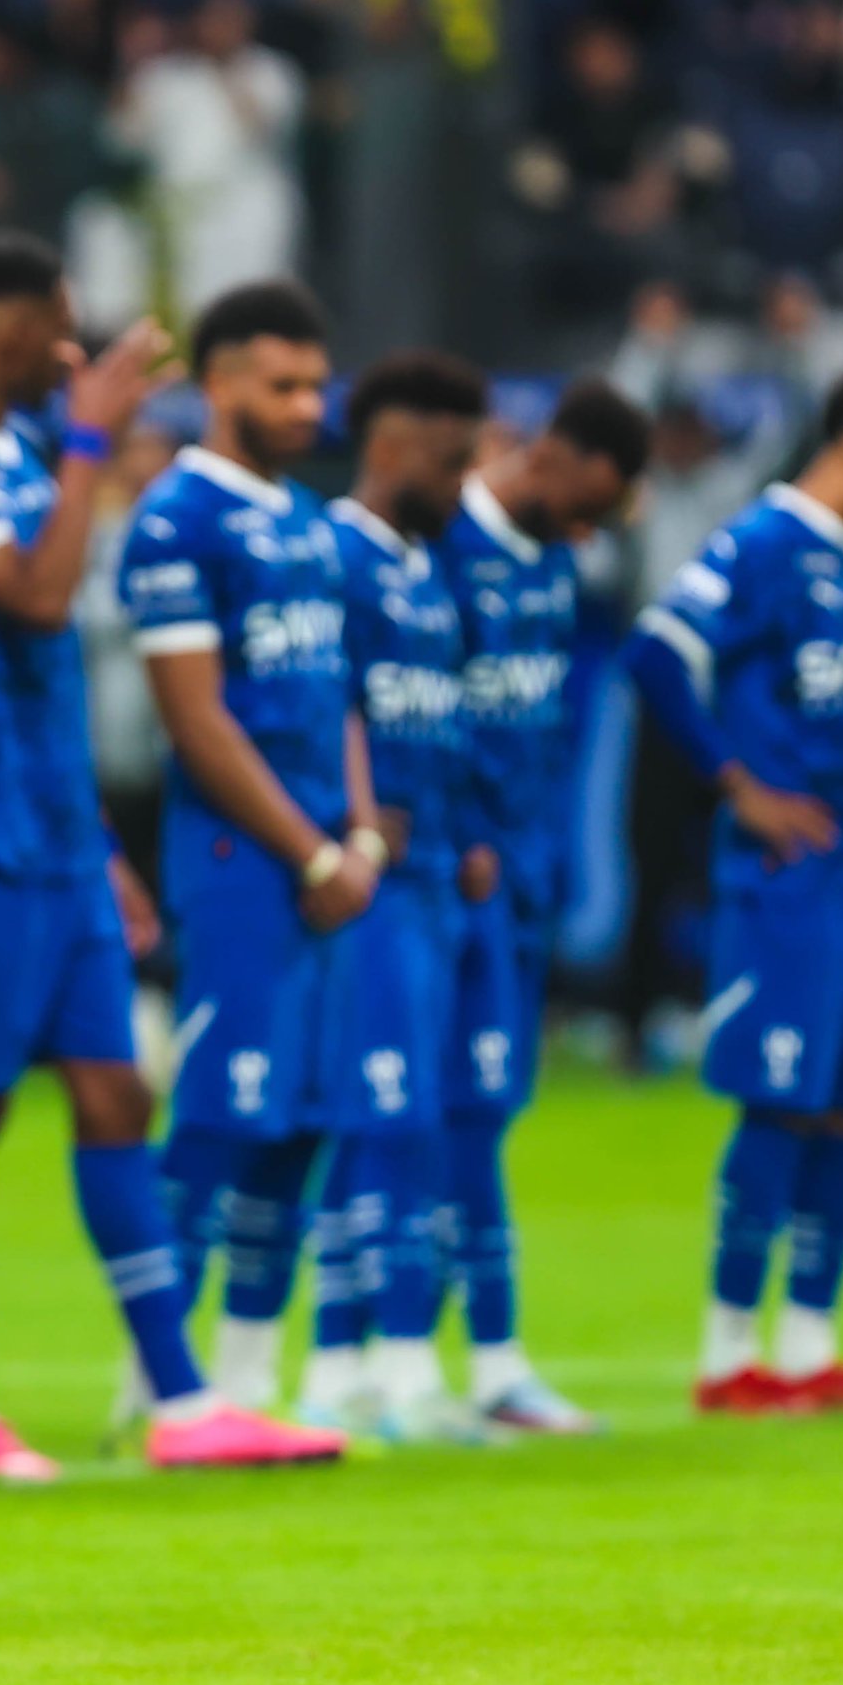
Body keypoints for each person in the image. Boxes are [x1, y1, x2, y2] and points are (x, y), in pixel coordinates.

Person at [0, 231, 344, 1476]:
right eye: (57, 328)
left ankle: (179, 1398)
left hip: (54, 835)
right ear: (1, 328)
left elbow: (46, 675)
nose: (71, 354)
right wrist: (90, 439)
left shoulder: (17, 455)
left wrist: (96, 837)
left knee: (113, 1093)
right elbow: (34, 598)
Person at [622, 363, 843, 1416]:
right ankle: (729, 1356)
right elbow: (656, 650)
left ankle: (809, 1347)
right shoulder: (761, 543)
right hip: (790, 882)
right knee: (779, 1105)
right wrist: (738, 786)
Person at [116, 280, 377, 1413]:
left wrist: (357, 835)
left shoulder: (312, 521)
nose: (308, 407)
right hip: (238, 866)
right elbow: (197, 719)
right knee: (222, 1118)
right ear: (219, 384)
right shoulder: (177, 519)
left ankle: (248, 1377)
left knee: (304, 1124)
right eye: (283, 385)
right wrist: (314, 854)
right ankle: (157, 1381)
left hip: (327, 860)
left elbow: (340, 696)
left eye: (317, 385)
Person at [431, 380, 650, 1433]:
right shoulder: (440, 544)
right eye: (586, 506)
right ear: (553, 456)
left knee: (487, 1109)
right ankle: (461, 1359)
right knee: (435, 1114)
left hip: (521, 879)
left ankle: (450, 1360)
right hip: (444, 877)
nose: (586, 532)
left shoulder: (554, 562)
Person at [302, 352, 491, 1445]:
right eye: (450, 460)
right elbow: (327, 706)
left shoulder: (425, 569)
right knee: (382, 1115)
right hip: (368, 880)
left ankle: (364, 1359)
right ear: (387, 445)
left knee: (409, 1114)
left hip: (432, 881)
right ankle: (377, 1362)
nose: (463, 483)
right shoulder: (333, 557)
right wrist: (362, 824)